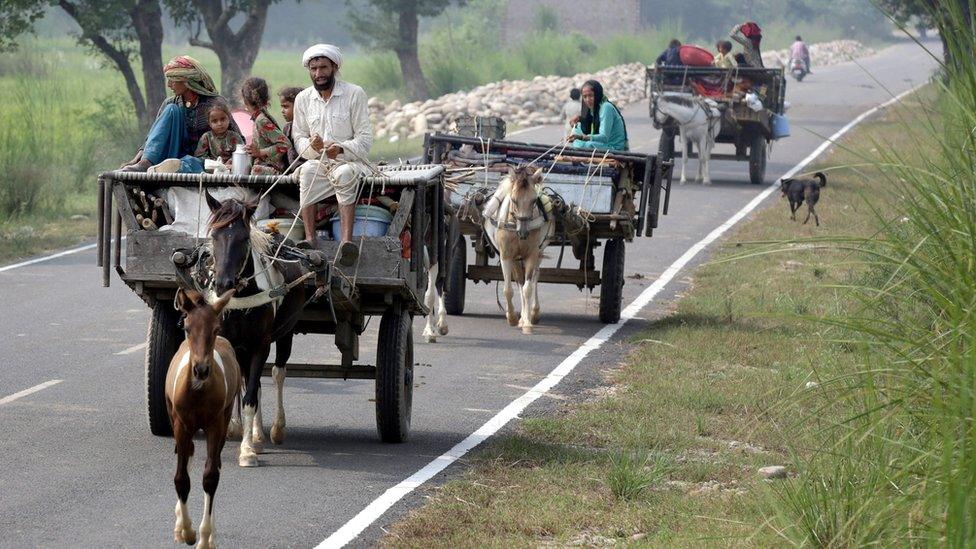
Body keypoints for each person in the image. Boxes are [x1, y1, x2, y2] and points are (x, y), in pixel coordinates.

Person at [291, 44, 373, 264]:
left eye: (323, 68)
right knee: (307, 171)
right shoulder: (303, 99)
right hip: (318, 163)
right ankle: (309, 239)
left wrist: (340, 149)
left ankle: (347, 242)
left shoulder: (354, 94)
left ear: (335, 67)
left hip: (351, 163)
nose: (318, 74)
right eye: (314, 69)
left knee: (344, 174)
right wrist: (312, 146)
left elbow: (365, 140)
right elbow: (298, 136)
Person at [121, 55, 239, 173]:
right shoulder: (170, 103)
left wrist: (232, 160)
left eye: (172, 80)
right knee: (171, 109)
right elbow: (154, 137)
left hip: (202, 161)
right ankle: (146, 164)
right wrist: (137, 160)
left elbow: (237, 136)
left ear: (186, 80)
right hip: (173, 155)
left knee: (187, 163)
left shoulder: (214, 104)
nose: (169, 85)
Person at [240, 77, 291, 176]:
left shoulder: (262, 121)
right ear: (266, 98)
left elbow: (285, 144)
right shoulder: (258, 118)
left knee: (255, 170)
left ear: (245, 101)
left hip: (273, 170)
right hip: (264, 165)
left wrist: (260, 152)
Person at [566, 80, 628, 151]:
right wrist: (579, 121)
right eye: (585, 97)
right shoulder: (592, 109)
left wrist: (582, 137)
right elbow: (586, 128)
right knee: (577, 141)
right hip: (602, 145)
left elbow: (604, 137)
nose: (588, 100)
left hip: (613, 147)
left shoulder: (606, 107)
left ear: (598, 94)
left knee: (588, 145)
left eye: (591, 95)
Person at [194, 100, 244, 168]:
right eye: (215, 121)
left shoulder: (235, 137)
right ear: (209, 123)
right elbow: (199, 156)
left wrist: (231, 162)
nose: (219, 124)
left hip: (231, 168)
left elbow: (241, 153)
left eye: (223, 119)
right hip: (212, 169)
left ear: (229, 119)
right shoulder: (206, 137)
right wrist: (214, 163)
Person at [278, 86, 305, 170]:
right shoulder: (287, 128)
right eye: (281, 107)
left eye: (286, 107)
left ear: (298, 106)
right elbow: (284, 157)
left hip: (304, 170)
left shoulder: (307, 128)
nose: (282, 111)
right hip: (290, 173)